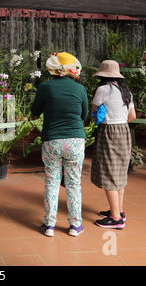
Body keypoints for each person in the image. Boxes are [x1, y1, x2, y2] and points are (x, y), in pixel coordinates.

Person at [31, 52, 88, 237]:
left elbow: (35, 112)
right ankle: (75, 226)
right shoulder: (80, 89)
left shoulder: (45, 87)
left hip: (52, 141)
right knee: (73, 183)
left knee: (52, 182)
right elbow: (84, 115)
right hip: (75, 141)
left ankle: (49, 225)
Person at [90, 60, 136, 229]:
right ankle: (118, 210)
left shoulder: (103, 89)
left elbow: (94, 113)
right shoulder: (126, 91)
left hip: (109, 132)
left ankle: (115, 219)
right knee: (119, 172)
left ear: (102, 75)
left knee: (108, 172)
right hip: (124, 131)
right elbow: (132, 116)